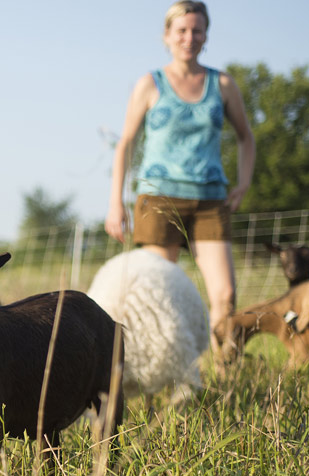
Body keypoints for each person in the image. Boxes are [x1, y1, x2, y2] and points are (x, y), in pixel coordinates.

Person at [105, 1, 255, 349]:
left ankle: (225, 376)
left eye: (197, 30)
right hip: (158, 197)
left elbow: (246, 137)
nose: (190, 37)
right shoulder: (149, 84)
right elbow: (125, 143)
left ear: (206, 35)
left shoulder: (223, 83)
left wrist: (243, 182)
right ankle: (163, 372)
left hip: (210, 199)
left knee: (225, 293)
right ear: (167, 36)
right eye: (182, 30)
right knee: (160, 293)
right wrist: (116, 202)